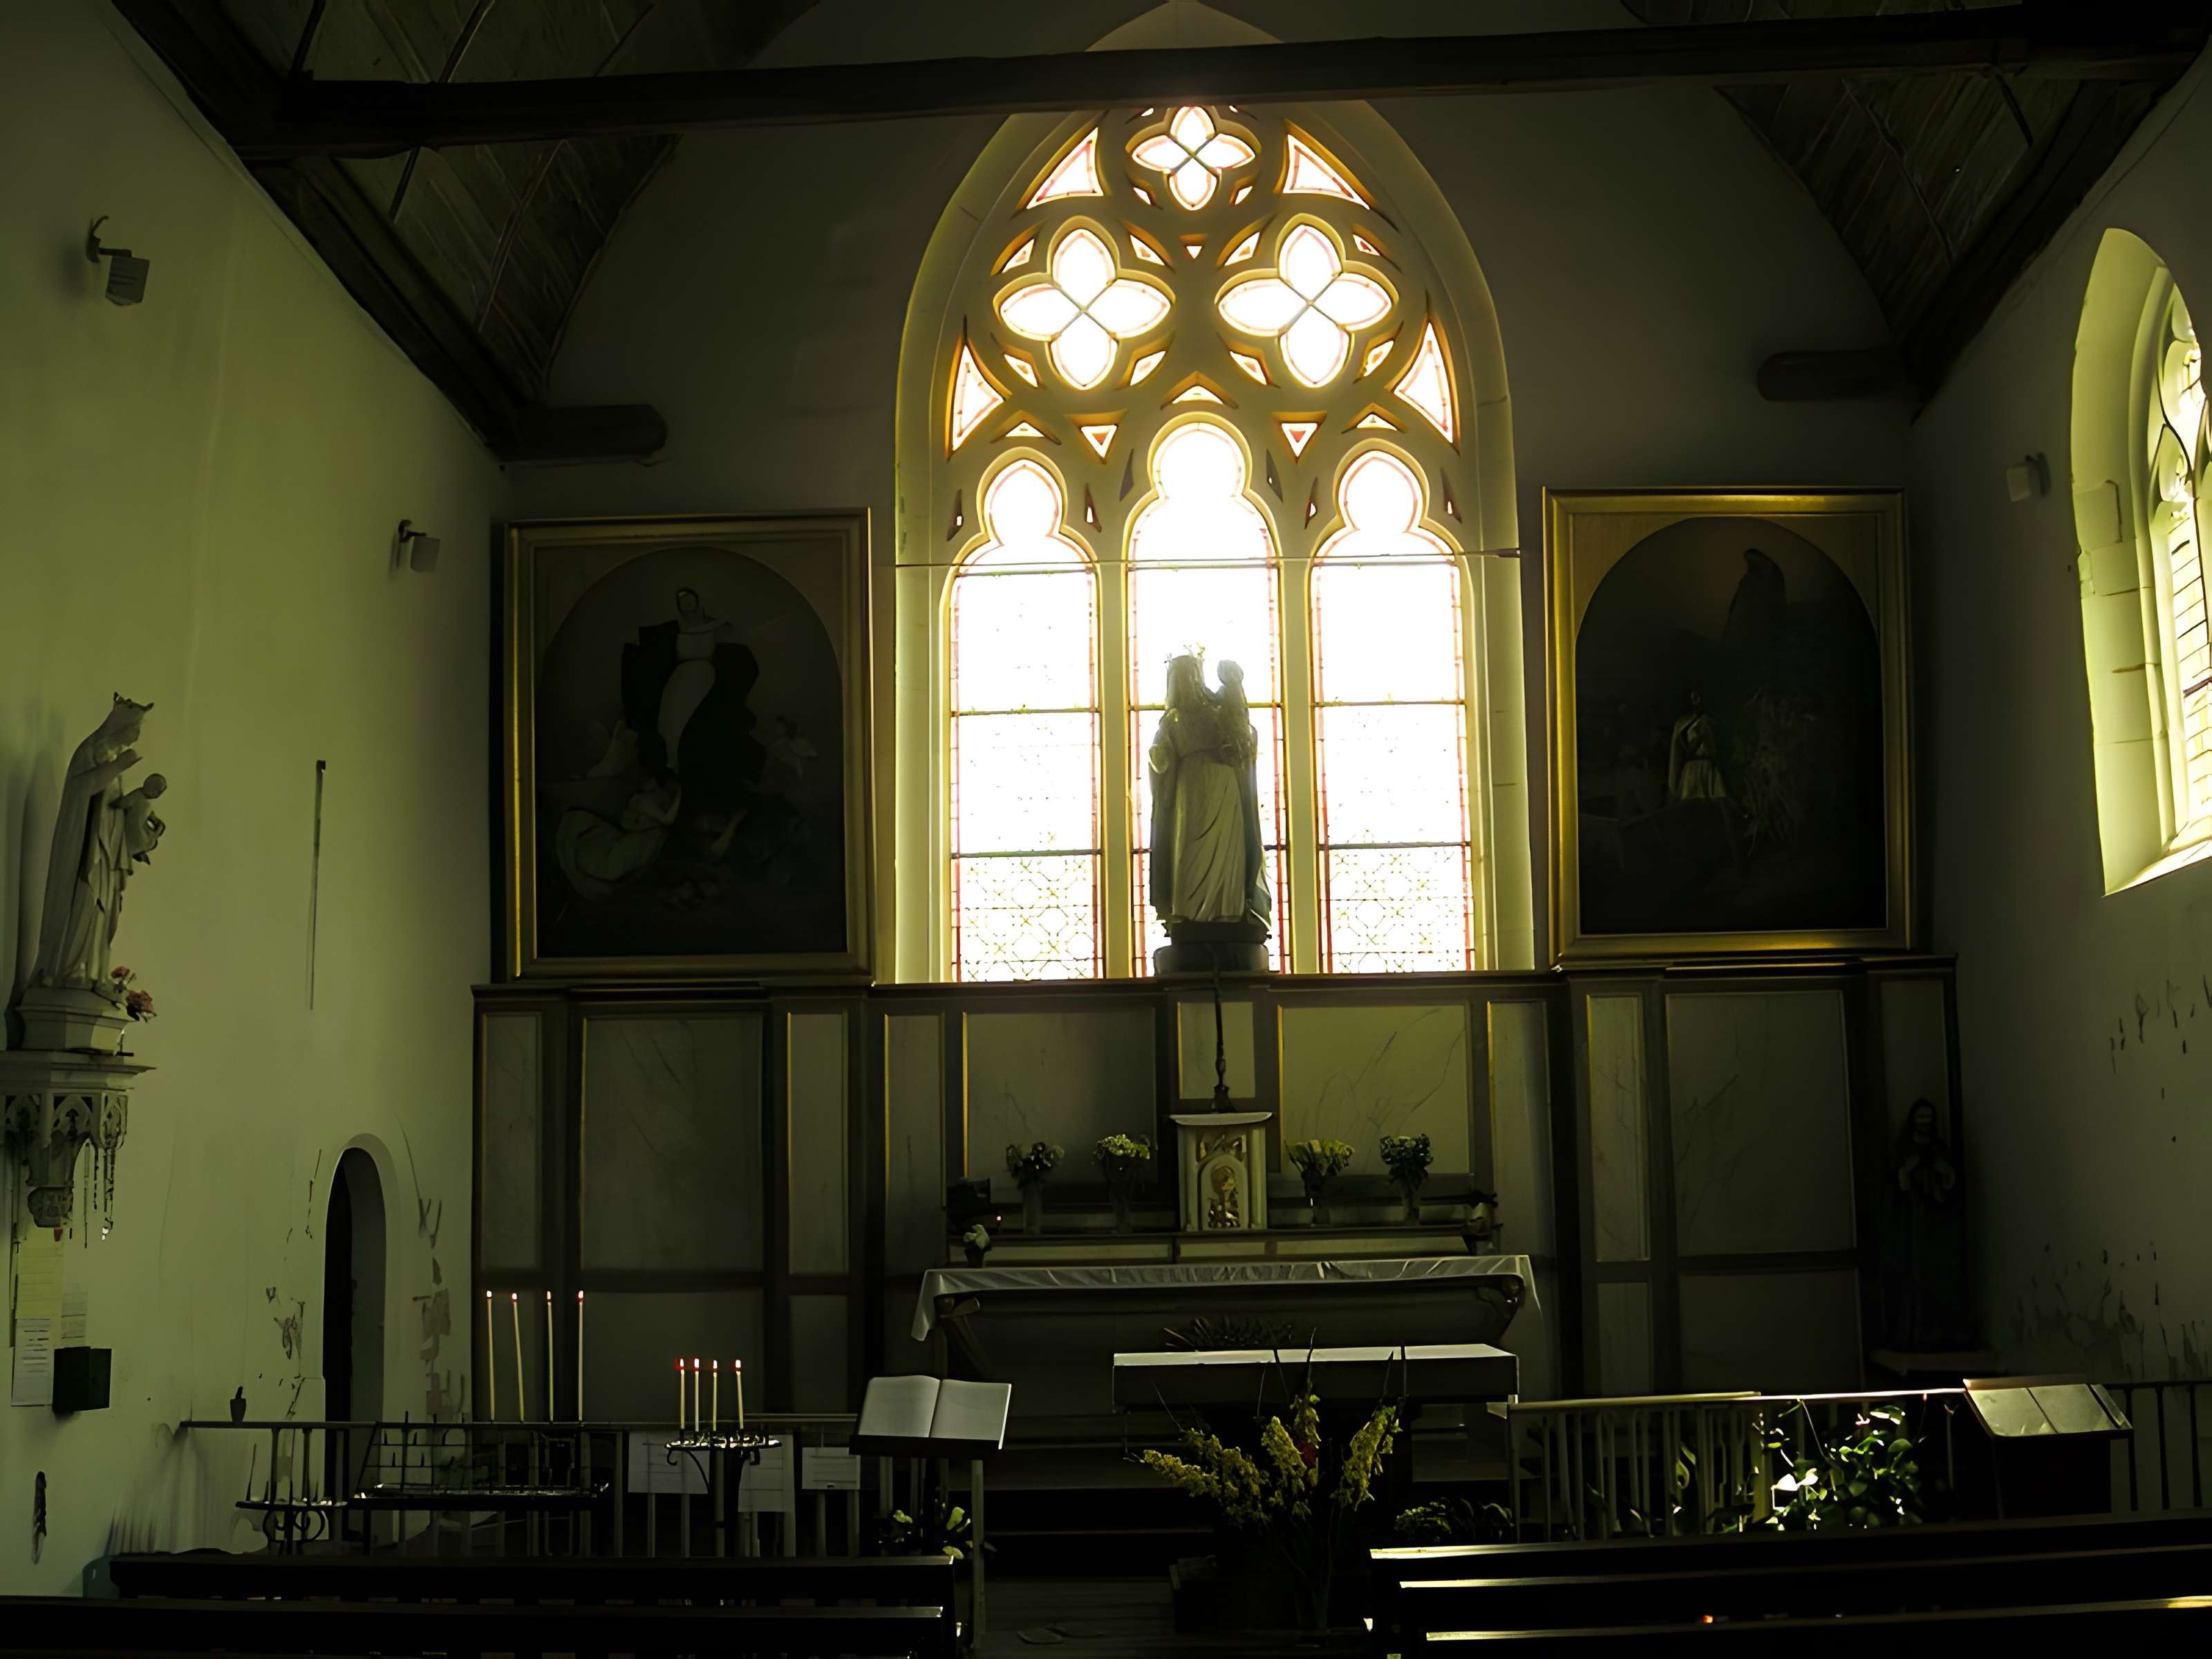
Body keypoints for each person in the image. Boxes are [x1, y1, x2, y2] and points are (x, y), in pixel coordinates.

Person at [1148, 655, 1265, 925]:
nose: (1189, 682)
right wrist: (1159, 760)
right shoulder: (1172, 720)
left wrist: (1234, 687)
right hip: (1190, 795)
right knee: (1188, 853)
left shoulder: (1217, 712)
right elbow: (1161, 757)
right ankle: (1188, 913)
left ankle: (1228, 911)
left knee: (1227, 851)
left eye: (1193, 675)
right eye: (1183, 677)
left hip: (1224, 789)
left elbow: (1243, 736)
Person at [657, 588, 730, 774]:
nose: (687, 603)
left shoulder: (715, 624)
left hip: (704, 673)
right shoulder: (675, 626)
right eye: (683, 601)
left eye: (690, 599)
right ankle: (674, 761)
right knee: (674, 715)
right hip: (682, 674)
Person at [1667, 688, 1726, 801]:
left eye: (1698, 698)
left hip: (1707, 768)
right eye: (1693, 698)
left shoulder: (1708, 721)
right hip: (1691, 770)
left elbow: (1713, 747)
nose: (1696, 702)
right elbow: (1684, 750)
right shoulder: (1683, 723)